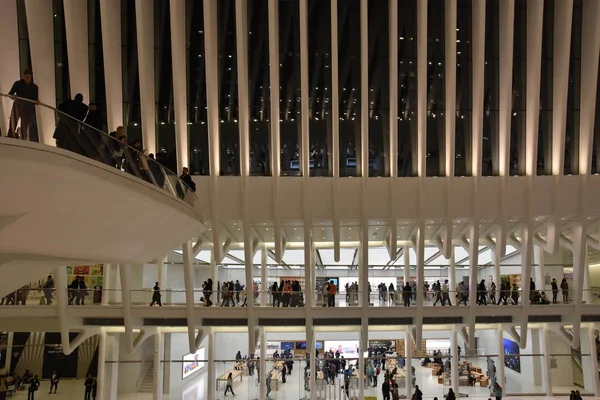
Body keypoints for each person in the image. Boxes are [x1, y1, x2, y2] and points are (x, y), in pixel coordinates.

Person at [7, 69, 39, 140]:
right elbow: (10, 94)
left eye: (29, 77)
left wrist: (37, 101)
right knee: (13, 121)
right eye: (26, 77)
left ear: (31, 77)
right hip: (18, 105)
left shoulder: (34, 87)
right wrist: (13, 96)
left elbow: (35, 99)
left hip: (27, 108)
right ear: (24, 76)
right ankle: (10, 135)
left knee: (25, 124)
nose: (27, 79)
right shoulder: (18, 83)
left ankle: (23, 138)